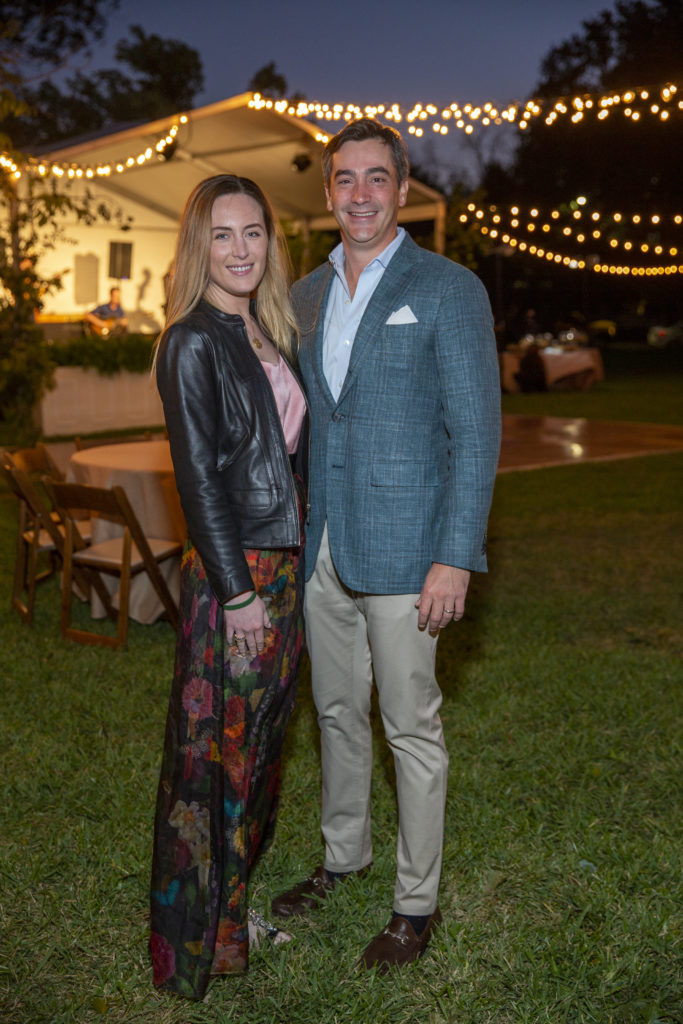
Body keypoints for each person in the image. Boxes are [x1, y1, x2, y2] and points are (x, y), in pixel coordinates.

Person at [270, 119, 501, 971]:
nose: (358, 194)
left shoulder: (447, 288)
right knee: (333, 713)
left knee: (409, 724)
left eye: (375, 178)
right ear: (327, 191)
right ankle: (343, 857)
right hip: (321, 542)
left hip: (409, 552)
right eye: (343, 179)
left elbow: (474, 435)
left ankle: (414, 904)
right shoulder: (299, 296)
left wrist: (455, 554)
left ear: (402, 189)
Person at [149, 174, 309, 1000]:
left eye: (253, 233)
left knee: (262, 755)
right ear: (198, 246)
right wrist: (240, 593)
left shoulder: (270, 333)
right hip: (233, 579)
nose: (241, 249)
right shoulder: (191, 341)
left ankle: (235, 910)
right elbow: (200, 482)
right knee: (216, 766)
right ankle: (200, 938)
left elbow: (285, 460)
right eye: (223, 234)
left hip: (281, 571)